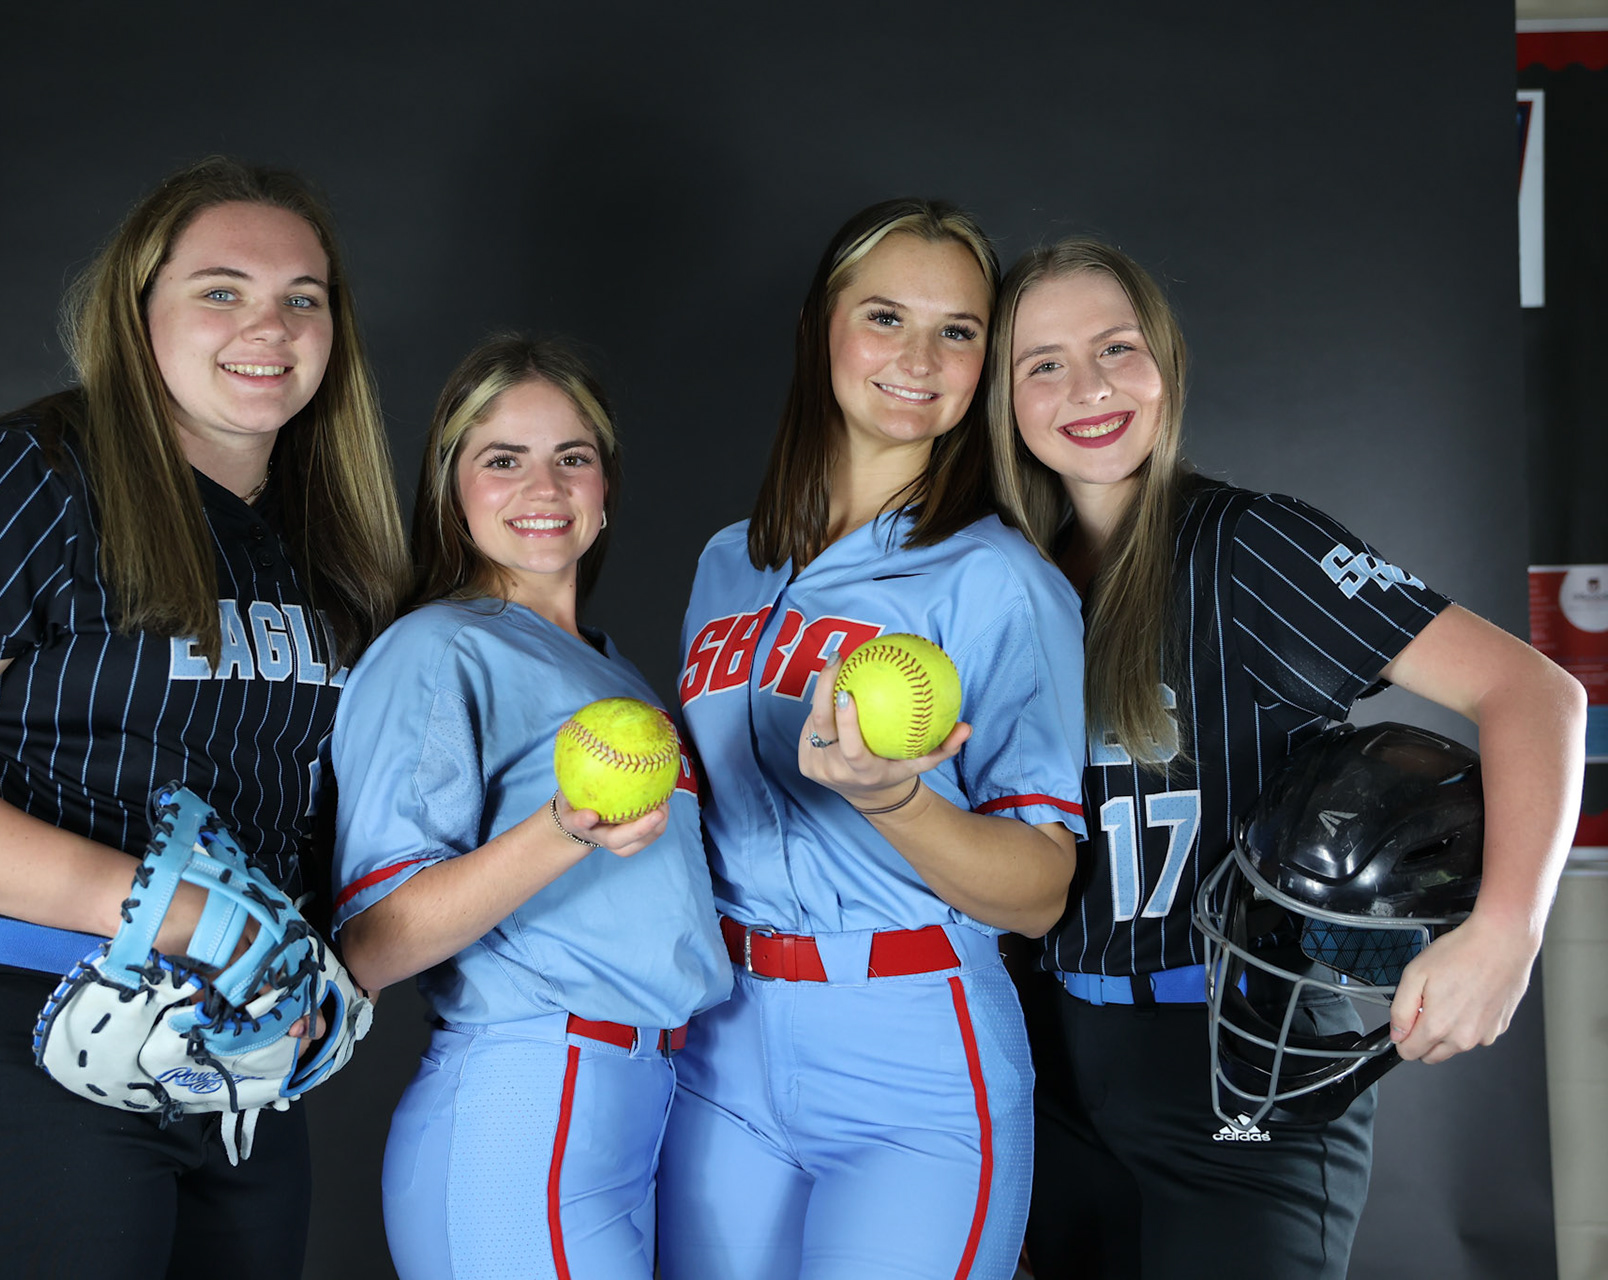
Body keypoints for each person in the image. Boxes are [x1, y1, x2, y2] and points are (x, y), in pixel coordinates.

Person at [0, 157, 408, 1278]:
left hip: (238, 1051)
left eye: (302, 298)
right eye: (221, 289)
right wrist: (160, 908)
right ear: (137, 310)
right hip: (32, 1023)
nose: (269, 324)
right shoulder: (26, 478)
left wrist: (322, 968)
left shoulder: (325, 543)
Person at [986, 237, 1585, 1279]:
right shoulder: (1001, 575)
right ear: (1004, 397)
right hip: (1051, 1062)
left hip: (1238, 1058)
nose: (1087, 386)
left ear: (1165, 363)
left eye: (1116, 348)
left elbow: (1534, 689)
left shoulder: (1251, 543)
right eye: (1043, 362)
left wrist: (1506, 929)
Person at [657, 199, 1088, 1280]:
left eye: (958, 329)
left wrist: (894, 798)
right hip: (726, 1039)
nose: (918, 357)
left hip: (913, 1040)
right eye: (885, 316)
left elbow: (1039, 887)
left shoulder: (999, 578)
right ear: (820, 330)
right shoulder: (728, 562)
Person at [330, 335, 731, 1280]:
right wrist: (561, 832)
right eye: (502, 459)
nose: (542, 487)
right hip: (530, 1096)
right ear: (451, 486)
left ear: (605, 489)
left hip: (652, 1094)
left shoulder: (613, 669)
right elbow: (373, 946)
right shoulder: (436, 650)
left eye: (572, 458)